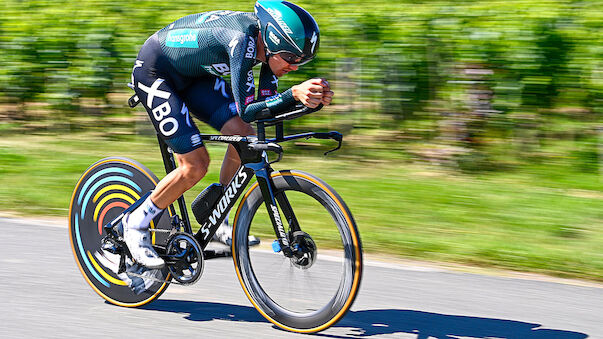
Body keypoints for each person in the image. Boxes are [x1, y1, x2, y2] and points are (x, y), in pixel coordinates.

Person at [124, 0, 334, 268]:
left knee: (244, 136)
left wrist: (306, 100)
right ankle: (135, 223)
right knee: (195, 165)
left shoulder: (269, 48)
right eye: (291, 59)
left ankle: (218, 216)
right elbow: (249, 109)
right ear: (270, 41)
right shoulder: (241, 42)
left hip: (194, 76)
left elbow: (263, 110)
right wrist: (293, 94)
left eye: (301, 61)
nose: (294, 67)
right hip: (156, 72)